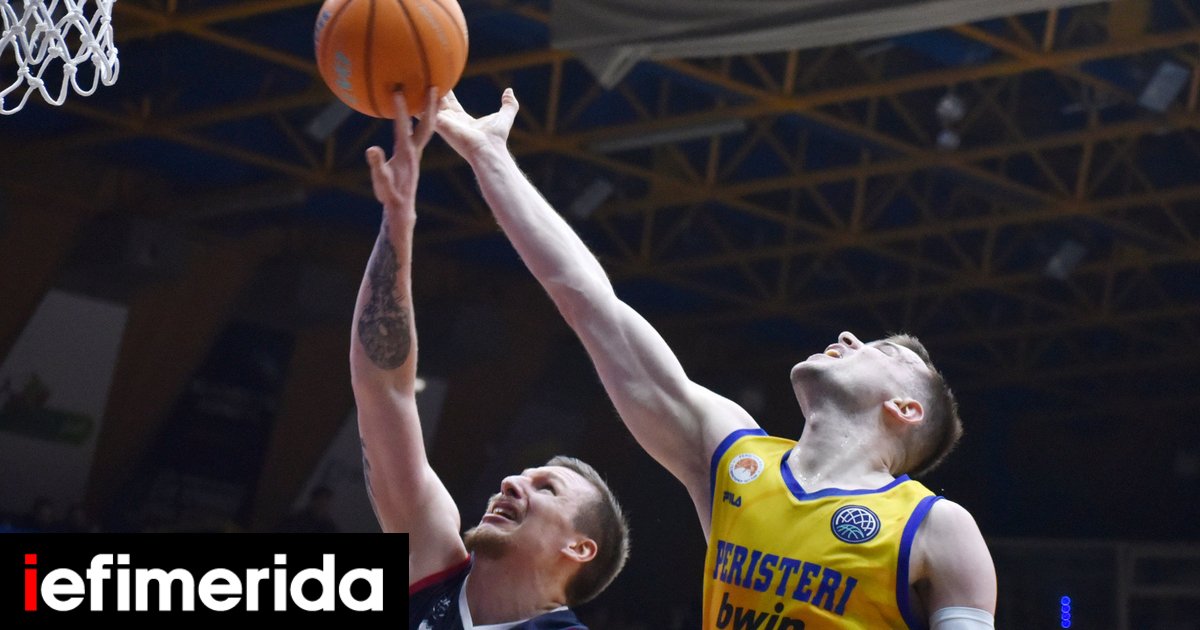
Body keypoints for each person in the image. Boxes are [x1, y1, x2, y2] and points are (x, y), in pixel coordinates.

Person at [434, 88, 997, 629]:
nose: (850, 337)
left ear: (906, 408)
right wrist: (489, 157)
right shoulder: (731, 455)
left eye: (885, 353)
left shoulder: (938, 529)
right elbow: (588, 304)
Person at [352, 90, 630, 629]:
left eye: (544, 488)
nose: (510, 483)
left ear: (580, 548)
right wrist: (399, 222)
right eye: (524, 476)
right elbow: (383, 392)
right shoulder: (431, 567)